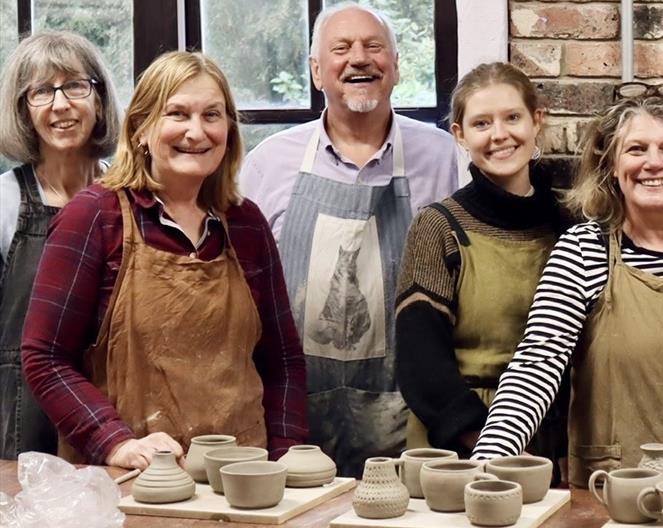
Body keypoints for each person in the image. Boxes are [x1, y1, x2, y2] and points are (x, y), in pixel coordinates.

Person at [21, 51, 307, 469]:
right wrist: (114, 442)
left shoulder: (246, 224)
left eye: (212, 115)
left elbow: (282, 362)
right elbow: (44, 358)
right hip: (128, 480)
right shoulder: (94, 217)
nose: (197, 131)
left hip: (241, 479)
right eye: (177, 113)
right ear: (140, 128)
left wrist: (285, 460)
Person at [471, 85, 663, 488]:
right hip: (612, 489)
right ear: (612, 167)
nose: (653, 163)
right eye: (636, 149)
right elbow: (538, 361)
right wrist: (491, 456)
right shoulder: (585, 248)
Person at [239, 3, 459, 476]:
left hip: (408, 417)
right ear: (317, 71)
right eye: (341, 49)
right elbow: (239, 289)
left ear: (396, 67)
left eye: (374, 46)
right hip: (291, 415)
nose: (359, 59)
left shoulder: (443, 156)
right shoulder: (270, 162)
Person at [395, 63, 569, 466]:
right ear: (460, 135)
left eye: (512, 118)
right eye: (481, 123)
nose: (499, 135)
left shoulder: (568, 227)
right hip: (456, 441)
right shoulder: (438, 226)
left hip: (549, 434)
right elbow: (420, 355)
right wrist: (482, 437)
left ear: (536, 121)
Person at [0, 30, 120, 459]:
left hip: (120, 417)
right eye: (41, 92)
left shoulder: (129, 198)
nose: (61, 104)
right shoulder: (5, 202)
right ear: (22, 110)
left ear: (100, 99)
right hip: (24, 421)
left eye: (74, 85)